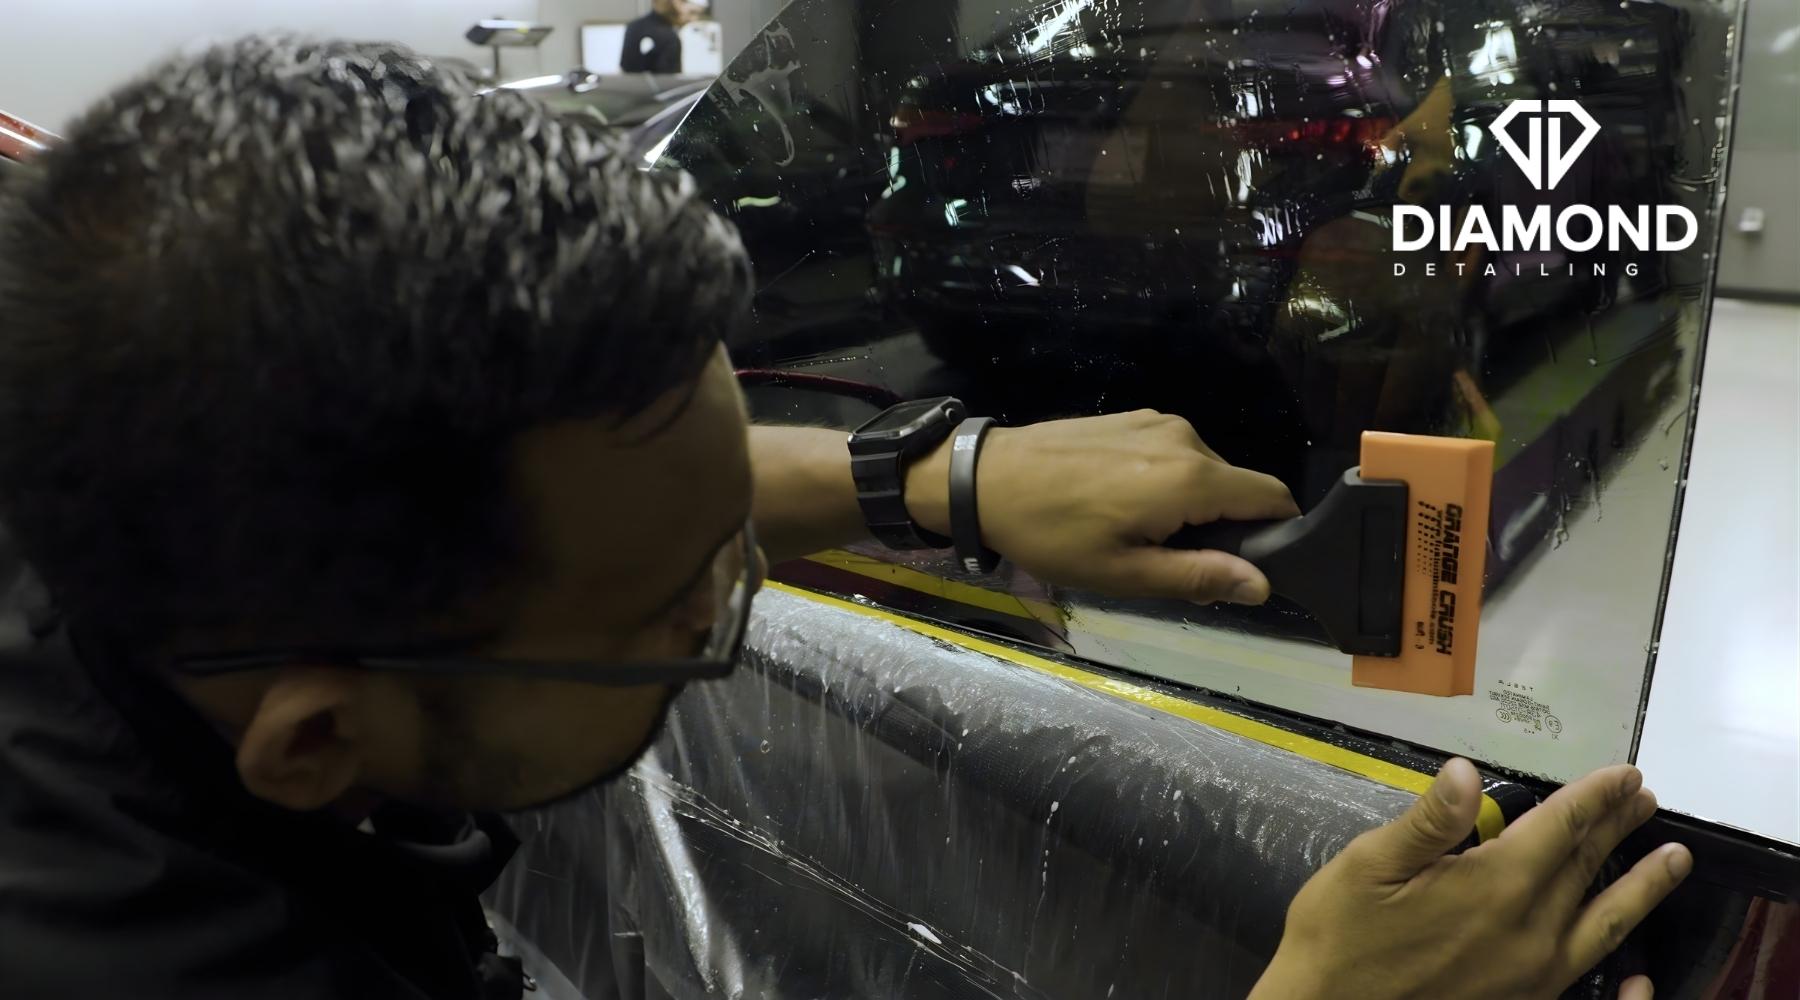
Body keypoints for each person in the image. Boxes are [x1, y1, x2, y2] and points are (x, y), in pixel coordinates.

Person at [0, 38, 1688, 1000]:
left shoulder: (99, 392)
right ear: (316, 745)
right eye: (686, 617)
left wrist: (943, 480)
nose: (736, 592)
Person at [619, 0, 704, 74]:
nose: (694, 20)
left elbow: (625, 68)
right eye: (692, 13)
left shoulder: (633, 27)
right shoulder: (670, 37)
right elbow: (671, 80)